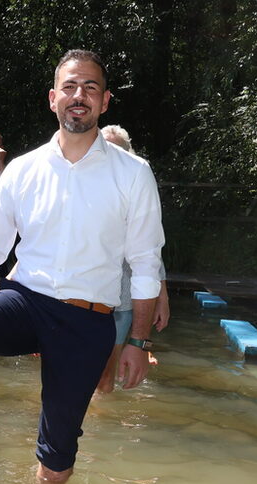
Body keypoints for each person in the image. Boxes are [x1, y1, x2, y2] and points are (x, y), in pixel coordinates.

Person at [0, 50, 165, 484]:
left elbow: (145, 262)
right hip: (27, 299)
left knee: (57, 458)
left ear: (104, 102)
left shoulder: (133, 175)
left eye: (91, 88)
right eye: (70, 87)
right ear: (52, 98)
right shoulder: (22, 168)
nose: (79, 96)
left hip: (88, 318)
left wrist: (138, 341)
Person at [95, 124, 170, 394]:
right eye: (105, 145)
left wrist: (162, 297)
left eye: (118, 148)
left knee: (106, 372)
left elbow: (150, 252)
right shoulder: (81, 184)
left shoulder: (137, 184)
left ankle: (97, 423)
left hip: (124, 299)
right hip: (83, 296)